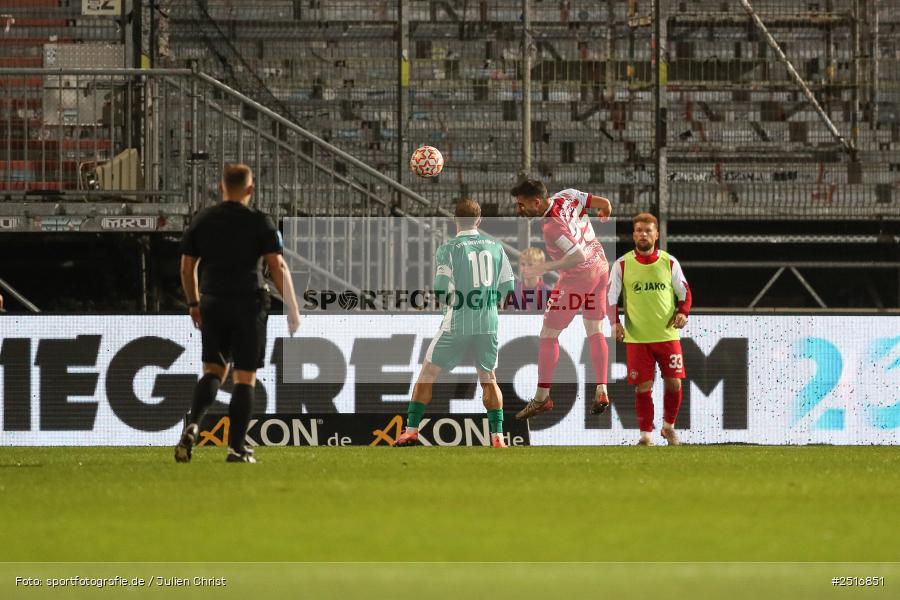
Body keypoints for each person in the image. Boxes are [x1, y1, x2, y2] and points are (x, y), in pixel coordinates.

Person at [174, 164, 301, 463]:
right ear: (250, 189)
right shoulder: (259, 222)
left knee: (213, 370)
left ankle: (194, 424)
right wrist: (293, 308)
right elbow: (277, 266)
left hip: (213, 301)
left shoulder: (203, 219)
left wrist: (194, 303)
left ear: (221, 187)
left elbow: (187, 267)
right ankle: (236, 448)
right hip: (248, 303)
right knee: (245, 377)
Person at [393, 198, 516, 448]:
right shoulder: (496, 247)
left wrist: (454, 303)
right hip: (488, 322)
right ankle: (498, 437)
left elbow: (440, 288)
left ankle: (411, 431)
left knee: (428, 373)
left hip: (458, 321)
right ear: (479, 220)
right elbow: (508, 286)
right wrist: (489, 303)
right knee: (489, 377)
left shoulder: (449, 248)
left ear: (455, 220)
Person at [511, 179, 614, 420]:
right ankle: (601, 389)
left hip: (580, 276)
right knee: (594, 329)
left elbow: (577, 257)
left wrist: (544, 267)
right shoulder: (567, 195)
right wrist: (606, 210)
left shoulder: (551, 227)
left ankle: (541, 398)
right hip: (601, 265)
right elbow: (604, 203)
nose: (519, 209)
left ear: (537, 202)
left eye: (522, 204)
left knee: (548, 335)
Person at [607, 213, 692, 446]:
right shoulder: (622, 264)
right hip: (637, 338)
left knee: (674, 383)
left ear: (656, 235)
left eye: (647, 231)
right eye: (638, 231)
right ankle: (646, 436)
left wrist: (683, 312)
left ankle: (668, 427)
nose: (643, 234)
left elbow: (685, 292)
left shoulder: (669, 262)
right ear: (633, 235)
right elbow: (611, 297)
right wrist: (615, 322)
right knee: (643, 387)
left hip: (667, 335)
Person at [508, 247, 552, 311]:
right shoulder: (513, 291)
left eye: (530, 265)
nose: (525, 268)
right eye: (523, 264)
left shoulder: (548, 292)